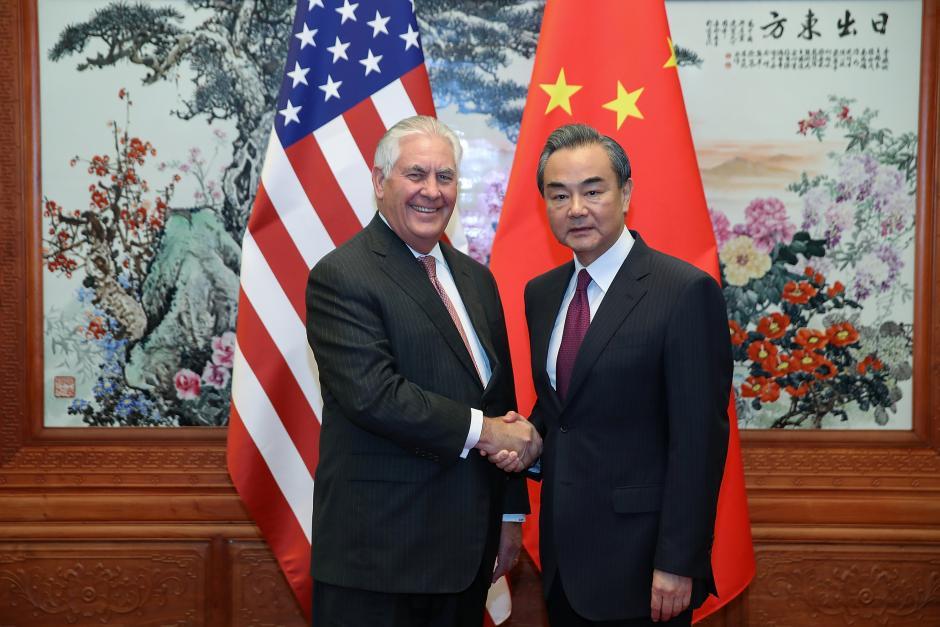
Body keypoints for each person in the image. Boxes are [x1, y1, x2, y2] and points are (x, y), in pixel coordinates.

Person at [305, 115, 542, 627]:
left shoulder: (477, 281)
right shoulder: (341, 276)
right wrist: (486, 433)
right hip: (378, 562)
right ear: (379, 182)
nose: (432, 192)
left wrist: (508, 516)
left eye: (445, 177)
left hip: (464, 558)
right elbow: (375, 395)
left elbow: (499, 399)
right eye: (416, 175)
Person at [491, 124, 730, 626]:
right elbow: (567, 410)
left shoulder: (683, 291)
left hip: (644, 568)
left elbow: (699, 441)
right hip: (563, 560)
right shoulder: (542, 293)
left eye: (592, 190)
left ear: (626, 194)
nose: (576, 208)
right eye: (559, 195)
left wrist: (677, 561)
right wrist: (528, 439)